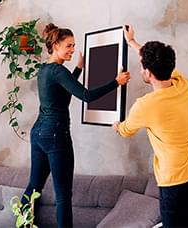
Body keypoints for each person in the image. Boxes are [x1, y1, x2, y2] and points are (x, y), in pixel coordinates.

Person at [22, 23, 130, 227]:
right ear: (55, 45)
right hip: (56, 134)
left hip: (38, 133)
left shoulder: (45, 69)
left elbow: (64, 89)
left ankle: (20, 225)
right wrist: (116, 82)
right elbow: (86, 96)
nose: (72, 49)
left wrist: (79, 68)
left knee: (34, 187)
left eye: (74, 45)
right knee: (63, 194)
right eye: (69, 46)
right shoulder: (59, 71)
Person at [113, 25, 188, 227]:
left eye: (142, 68)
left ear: (148, 73)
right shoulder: (182, 83)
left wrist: (116, 124)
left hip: (175, 185)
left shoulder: (145, 106)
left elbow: (125, 130)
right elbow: (157, 60)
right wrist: (131, 41)